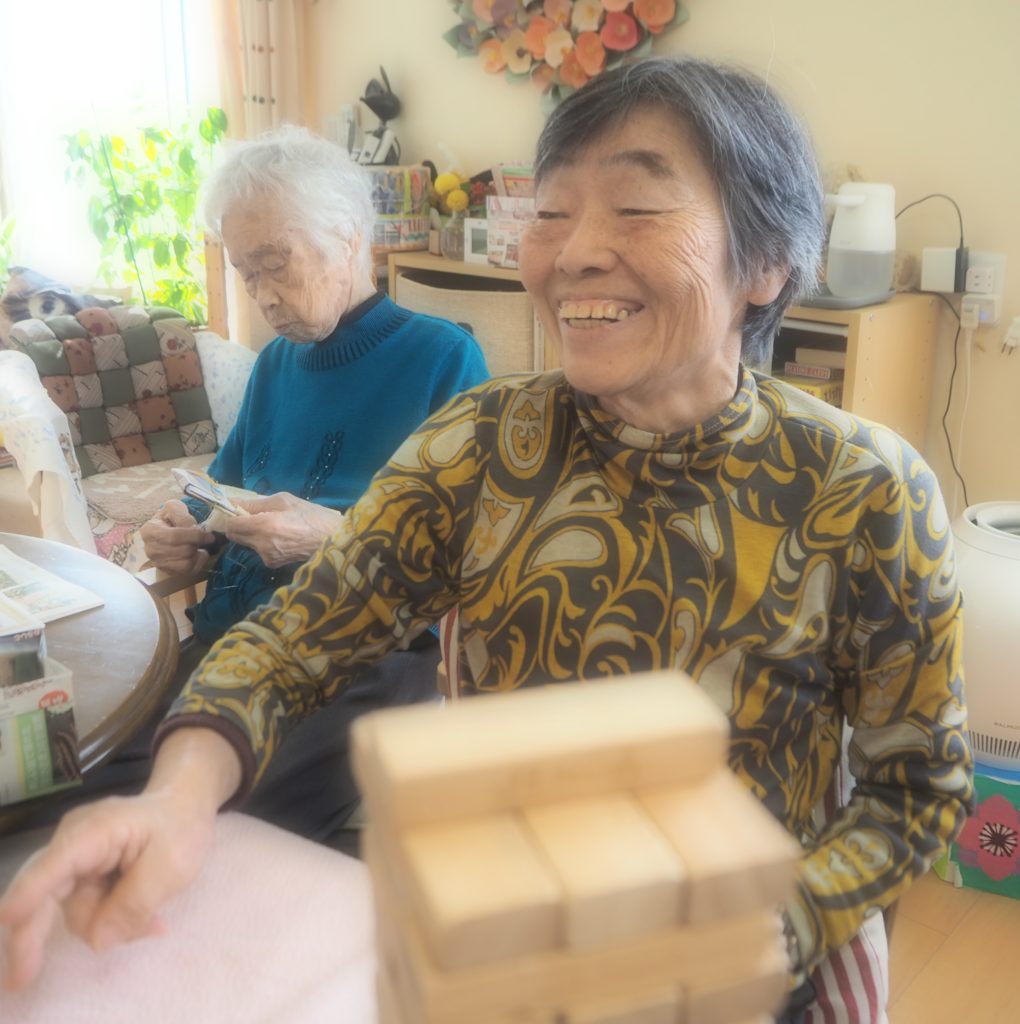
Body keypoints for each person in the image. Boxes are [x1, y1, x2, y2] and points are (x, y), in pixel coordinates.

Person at [0, 58, 971, 1022]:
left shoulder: (864, 491)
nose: (574, 252)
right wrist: (176, 799)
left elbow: (914, 790)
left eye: (636, 207)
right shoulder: (485, 443)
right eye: (550, 212)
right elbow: (296, 639)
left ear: (765, 264)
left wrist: (786, 927)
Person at [16, 124, 490, 840]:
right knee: (50, 778)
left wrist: (331, 536)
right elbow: (219, 496)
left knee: (182, 833)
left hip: (357, 657)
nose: (263, 294)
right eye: (246, 273)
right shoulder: (276, 364)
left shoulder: (443, 357)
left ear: (349, 237)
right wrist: (186, 533)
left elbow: (467, 553)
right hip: (231, 645)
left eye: (276, 263)